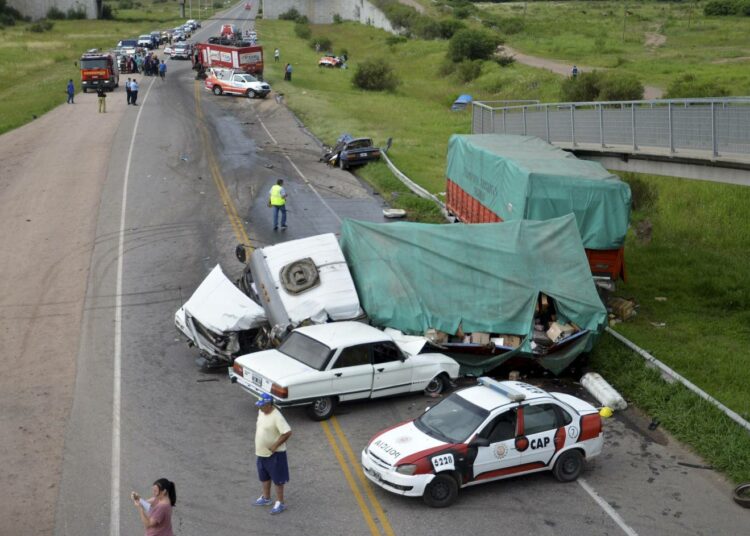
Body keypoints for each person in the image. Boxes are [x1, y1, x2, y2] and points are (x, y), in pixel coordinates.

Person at [253, 393, 292, 515]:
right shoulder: (262, 412)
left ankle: (280, 503)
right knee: (264, 476)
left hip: (275, 454)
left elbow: (287, 432)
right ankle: (266, 498)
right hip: (261, 452)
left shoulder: (277, 416)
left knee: (278, 479)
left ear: (269, 405)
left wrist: (275, 446)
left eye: (262, 406)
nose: (260, 408)